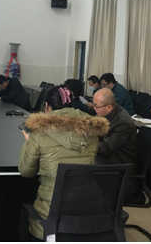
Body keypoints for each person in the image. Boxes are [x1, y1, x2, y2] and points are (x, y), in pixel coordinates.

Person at [19, 85, 109, 240]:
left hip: (52, 217)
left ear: (47, 107)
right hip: (89, 210)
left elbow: (26, 171)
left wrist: (28, 142)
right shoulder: (91, 132)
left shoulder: (39, 133)